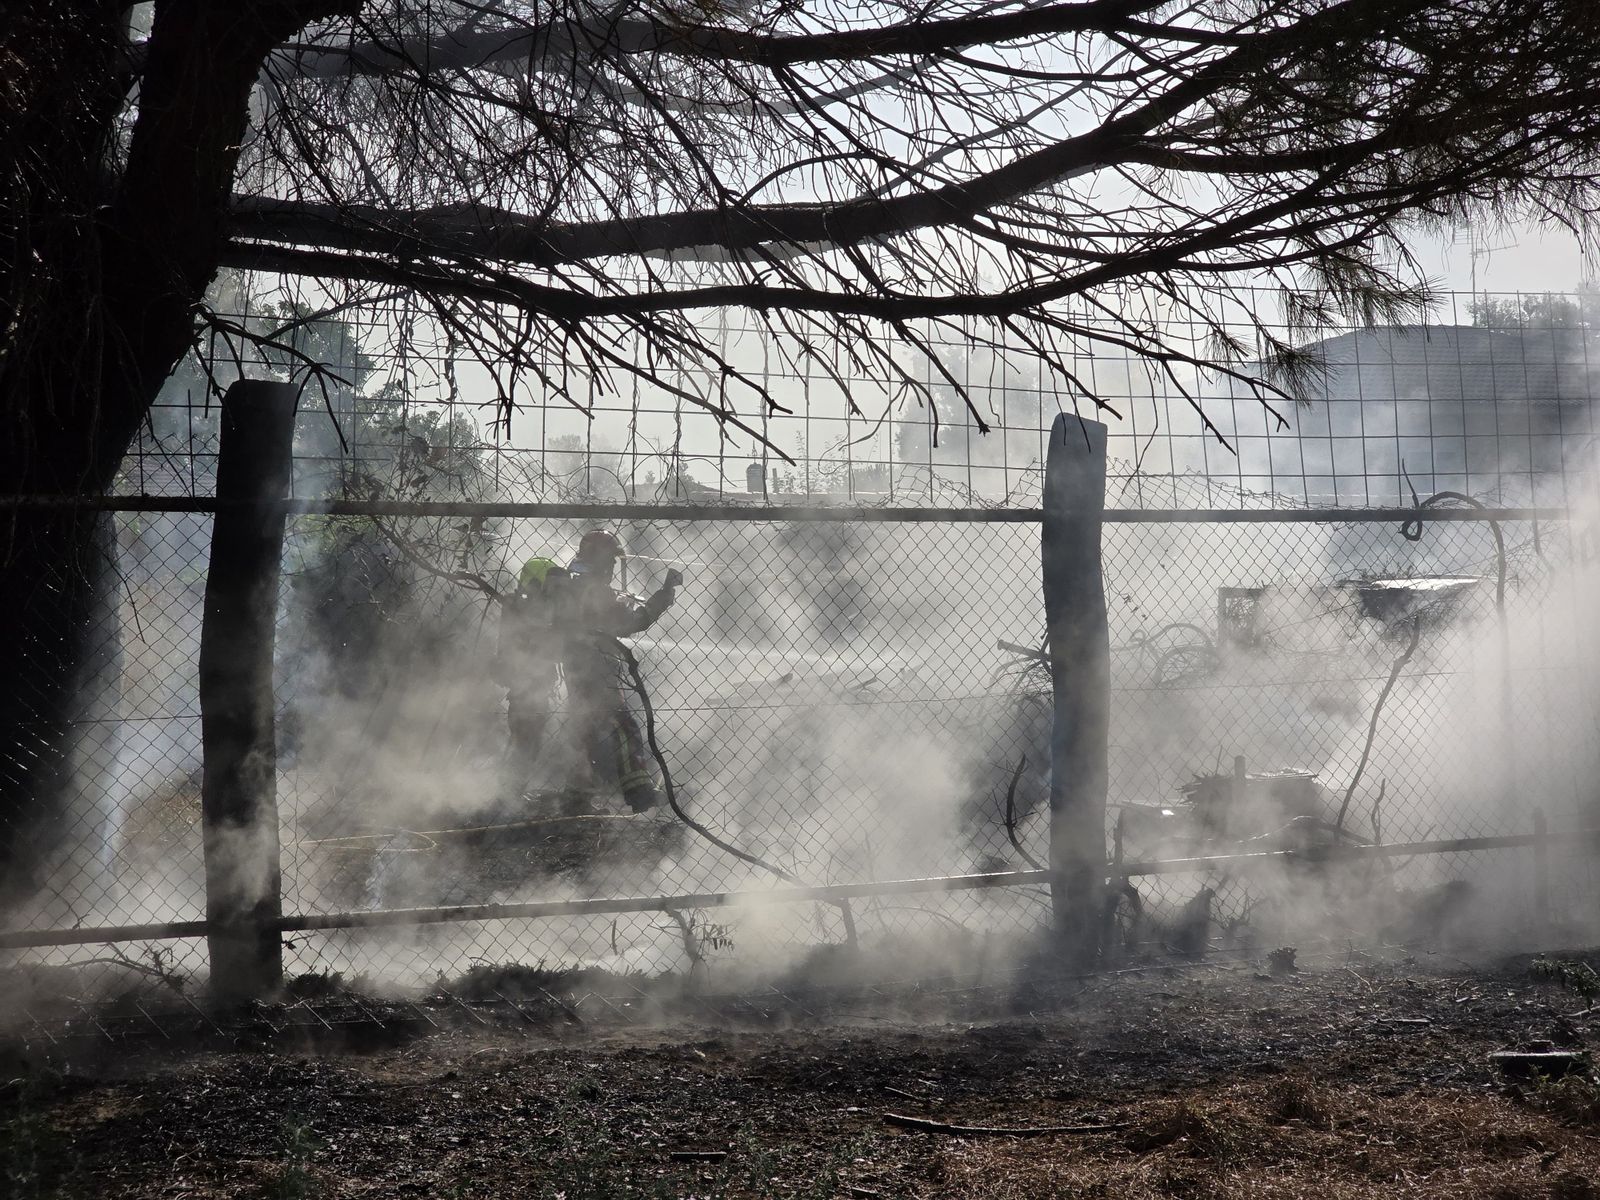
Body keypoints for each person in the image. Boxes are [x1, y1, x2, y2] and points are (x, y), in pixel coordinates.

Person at [561, 529, 681, 813]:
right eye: (612, 562)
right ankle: (639, 792)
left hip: (577, 666)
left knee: (584, 729)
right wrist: (663, 597)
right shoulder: (594, 591)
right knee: (623, 727)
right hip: (596, 668)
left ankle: (577, 794)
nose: (615, 568)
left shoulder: (576, 585)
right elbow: (633, 623)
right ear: (602, 561)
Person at [497, 555, 570, 802]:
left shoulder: (520, 604)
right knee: (525, 739)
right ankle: (508, 793)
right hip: (527, 687)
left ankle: (510, 791)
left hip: (531, 686)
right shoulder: (527, 608)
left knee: (526, 739)